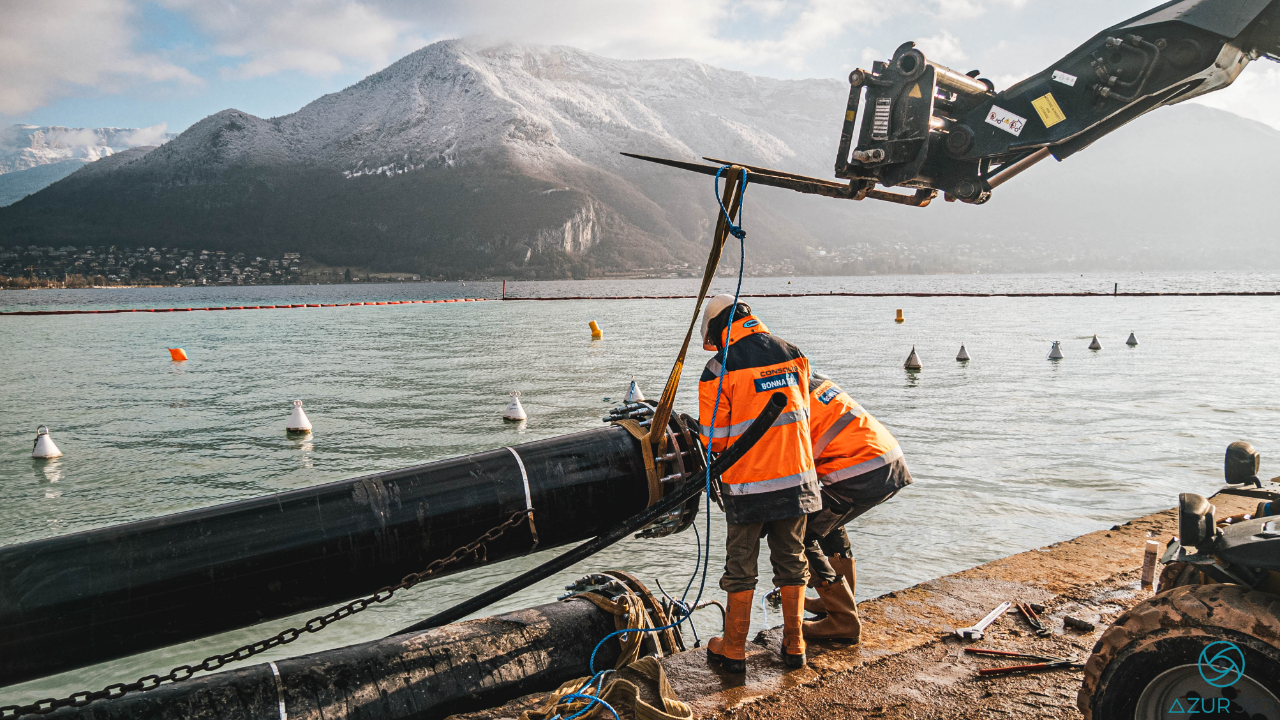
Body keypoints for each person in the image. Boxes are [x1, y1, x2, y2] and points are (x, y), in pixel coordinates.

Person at [697, 294, 819, 672]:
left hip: (748, 485)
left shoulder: (719, 367)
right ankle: (795, 645)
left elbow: (714, 439)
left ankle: (734, 648)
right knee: (792, 561)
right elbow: (804, 412)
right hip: (797, 478)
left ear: (717, 329)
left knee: (741, 566)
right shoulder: (793, 353)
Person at [800, 373, 912, 643]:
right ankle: (840, 600)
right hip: (888, 462)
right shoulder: (815, 382)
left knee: (798, 535)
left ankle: (843, 620)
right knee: (829, 523)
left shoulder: (789, 397)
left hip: (861, 473)